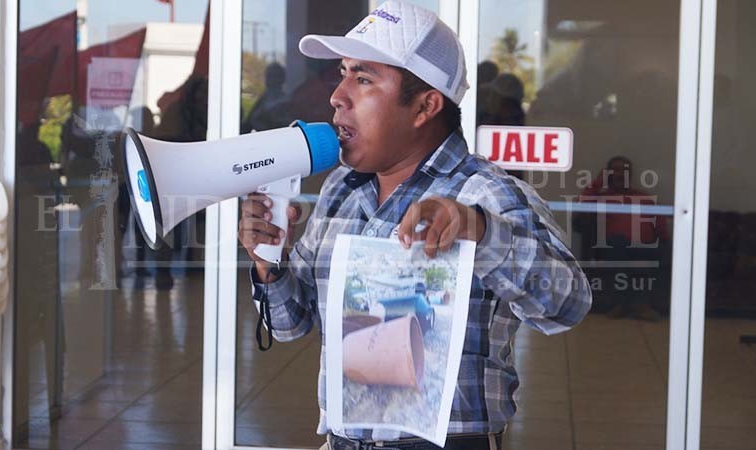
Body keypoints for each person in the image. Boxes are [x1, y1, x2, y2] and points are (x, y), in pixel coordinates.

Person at [237, 2, 592, 449]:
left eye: (362, 78)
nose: (337, 95)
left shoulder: (486, 195)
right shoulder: (340, 192)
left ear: (425, 106)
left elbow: (568, 306)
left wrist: (479, 231)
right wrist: (269, 262)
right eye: (343, 73)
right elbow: (291, 323)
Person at [577, 156, 669, 320]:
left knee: (657, 252)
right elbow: (582, 204)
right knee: (619, 247)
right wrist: (599, 181)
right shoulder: (601, 197)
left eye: (625, 170)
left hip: (645, 246)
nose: (621, 174)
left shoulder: (643, 197)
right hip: (616, 245)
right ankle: (623, 305)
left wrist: (665, 241)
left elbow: (659, 223)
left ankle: (639, 305)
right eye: (616, 170)